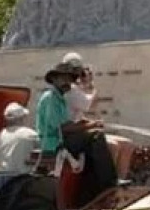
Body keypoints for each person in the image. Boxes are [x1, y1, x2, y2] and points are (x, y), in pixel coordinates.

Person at [57, 52, 135, 183]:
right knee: (113, 146)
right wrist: (92, 85)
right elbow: (90, 105)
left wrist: (91, 122)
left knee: (127, 145)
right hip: (71, 136)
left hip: (78, 131)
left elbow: (78, 114)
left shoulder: (74, 88)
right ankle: (107, 183)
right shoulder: (70, 89)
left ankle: (120, 180)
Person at [0, 102, 38, 194]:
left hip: (3, 182)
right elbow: (41, 157)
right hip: (25, 180)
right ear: (22, 118)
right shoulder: (32, 135)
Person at [33, 65, 75, 173]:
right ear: (54, 79)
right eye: (64, 79)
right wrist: (85, 126)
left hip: (60, 142)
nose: (67, 82)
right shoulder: (50, 98)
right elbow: (59, 126)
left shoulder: (60, 99)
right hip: (51, 144)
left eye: (69, 79)